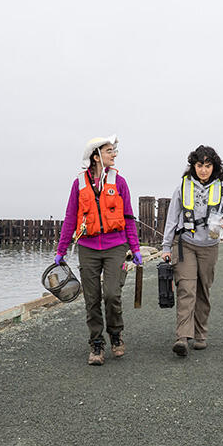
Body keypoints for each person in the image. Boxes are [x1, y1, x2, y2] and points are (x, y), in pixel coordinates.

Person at [55, 134, 144, 366]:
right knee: (92, 298)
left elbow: (128, 217)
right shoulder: (79, 184)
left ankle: (115, 334)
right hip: (88, 247)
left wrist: (135, 248)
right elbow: (69, 218)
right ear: (96, 157)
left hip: (116, 246)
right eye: (109, 151)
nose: (113, 154)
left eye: (114, 151)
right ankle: (96, 343)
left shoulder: (120, 182)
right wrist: (61, 250)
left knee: (112, 294)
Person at [160, 145, 223, 357]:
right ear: (193, 166)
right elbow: (171, 218)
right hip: (185, 243)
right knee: (186, 288)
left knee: (203, 290)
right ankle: (182, 337)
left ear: (214, 167)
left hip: (210, 246)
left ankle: (200, 333)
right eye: (199, 165)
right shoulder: (182, 188)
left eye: (207, 165)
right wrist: (166, 247)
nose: (203, 170)